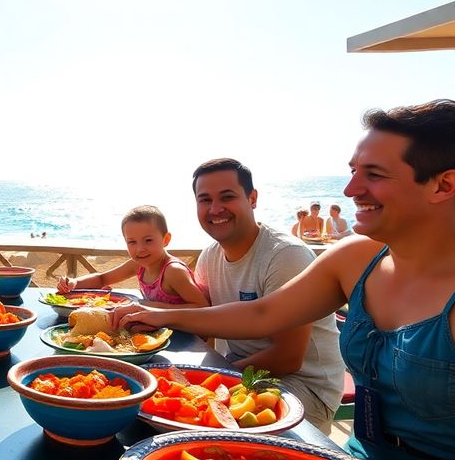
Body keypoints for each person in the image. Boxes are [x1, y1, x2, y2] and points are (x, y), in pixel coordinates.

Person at [114, 100, 455, 459]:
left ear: (444, 185)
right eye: (354, 171)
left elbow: (285, 353)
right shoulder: (355, 257)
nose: (350, 189)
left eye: (373, 174)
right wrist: (160, 314)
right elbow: (263, 314)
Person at [123, 159, 344, 432]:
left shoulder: (285, 256)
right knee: (142, 402)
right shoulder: (210, 256)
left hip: (300, 386)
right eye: (205, 200)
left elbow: (288, 357)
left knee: (182, 422)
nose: (215, 209)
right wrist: (146, 317)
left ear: (252, 198)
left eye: (227, 197)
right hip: (235, 369)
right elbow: (200, 318)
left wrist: (212, 379)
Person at [57, 205, 208, 308]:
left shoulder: (172, 271)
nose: (140, 249)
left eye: (148, 240)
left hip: (187, 341)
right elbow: (102, 279)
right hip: (160, 331)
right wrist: (74, 283)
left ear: (166, 240)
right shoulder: (138, 265)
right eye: (132, 242)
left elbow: (203, 308)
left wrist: (152, 307)